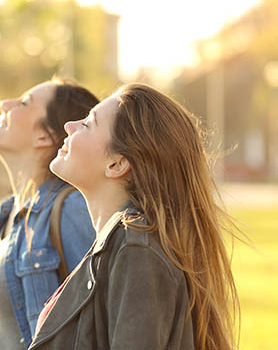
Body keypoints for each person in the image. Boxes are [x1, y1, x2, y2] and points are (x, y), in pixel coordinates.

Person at [30, 83, 239, 350]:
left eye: (88, 123)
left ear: (116, 164)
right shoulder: (117, 244)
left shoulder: (136, 248)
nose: (70, 125)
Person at [0, 78, 100, 349]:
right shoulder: (8, 215)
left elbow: (98, 326)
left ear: (46, 136)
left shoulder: (70, 210)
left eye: (24, 102)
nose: (5, 104)